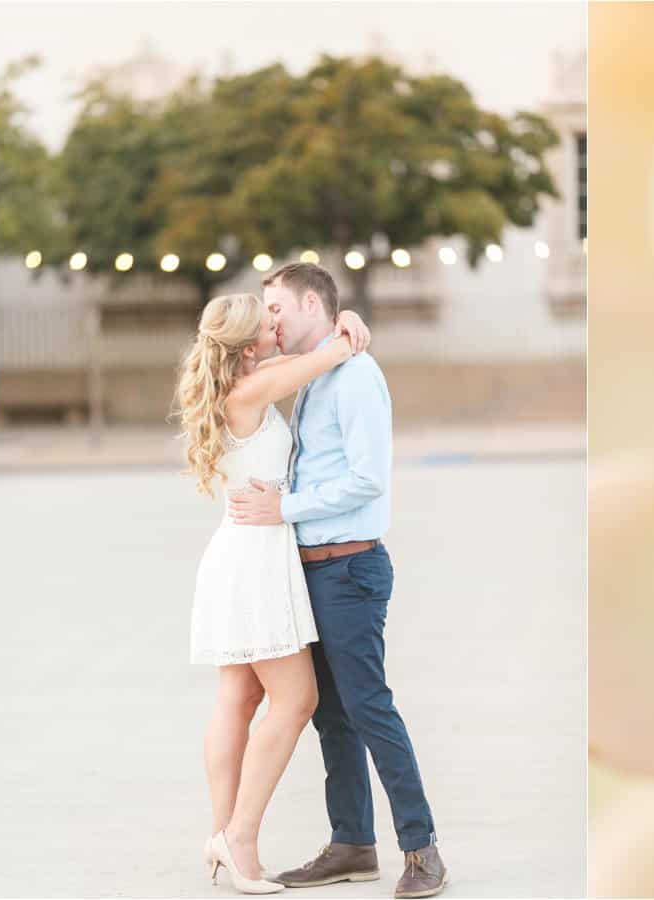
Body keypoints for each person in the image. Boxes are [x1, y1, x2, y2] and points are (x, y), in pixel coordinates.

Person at [228, 263, 448, 898]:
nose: (270, 320)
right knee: (332, 715)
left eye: (277, 308)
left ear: (312, 304)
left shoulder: (354, 379)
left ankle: (422, 848)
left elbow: (367, 479)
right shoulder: (318, 375)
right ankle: (352, 843)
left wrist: (284, 508)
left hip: (350, 569)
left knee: (369, 706)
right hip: (311, 571)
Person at [175, 292, 370, 894]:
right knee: (297, 699)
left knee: (237, 698)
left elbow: (312, 359)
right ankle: (240, 837)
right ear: (247, 344)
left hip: (239, 551)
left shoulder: (245, 383)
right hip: (254, 558)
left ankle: (223, 835)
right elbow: (328, 357)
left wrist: (342, 327)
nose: (277, 327)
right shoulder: (250, 391)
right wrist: (349, 327)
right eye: (267, 323)